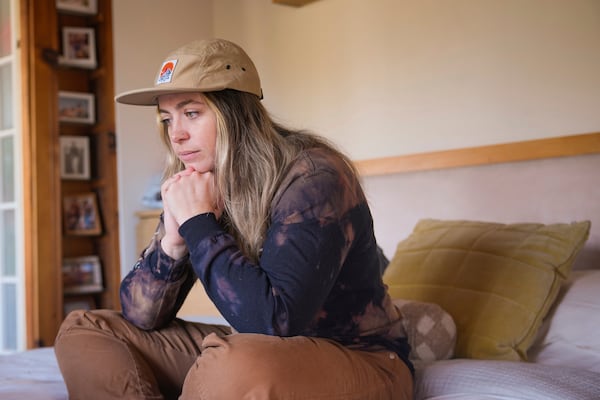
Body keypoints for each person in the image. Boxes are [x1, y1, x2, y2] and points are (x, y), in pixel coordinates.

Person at [54, 38, 414, 400]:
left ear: (234, 113)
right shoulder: (203, 180)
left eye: (191, 113)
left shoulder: (313, 176)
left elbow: (274, 322)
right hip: (258, 352)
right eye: (167, 119)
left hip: (361, 360)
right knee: (85, 329)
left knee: (231, 365)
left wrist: (199, 224)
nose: (176, 135)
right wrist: (174, 242)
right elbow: (141, 316)